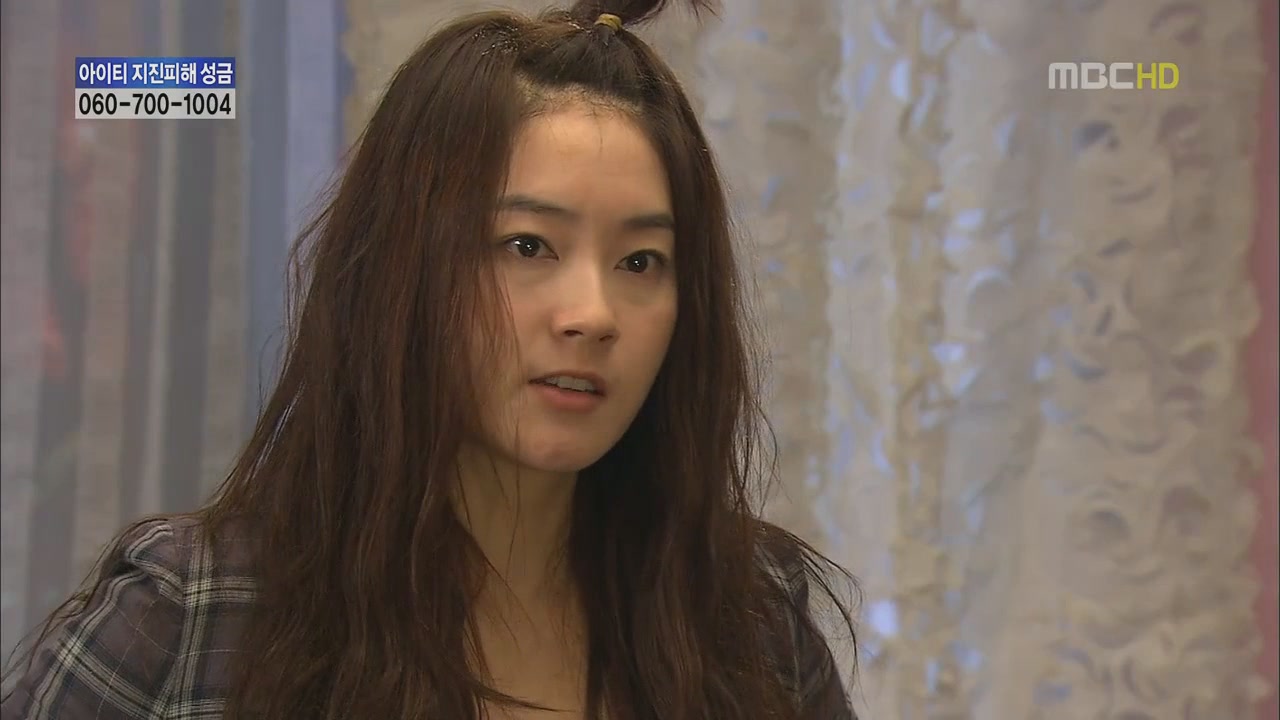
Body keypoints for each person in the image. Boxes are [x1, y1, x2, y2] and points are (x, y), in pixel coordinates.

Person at [1, 0, 859, 717]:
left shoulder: (749, 621)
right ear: (404, 267)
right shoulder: (189, 617)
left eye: (641, 262)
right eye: (527, 246)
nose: (593, 315)